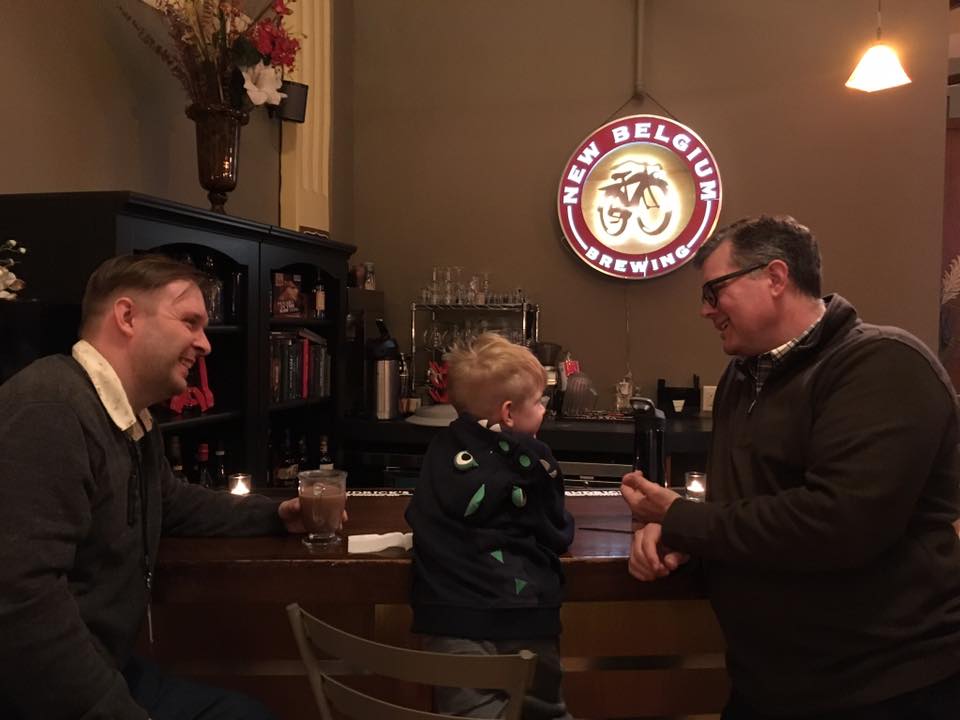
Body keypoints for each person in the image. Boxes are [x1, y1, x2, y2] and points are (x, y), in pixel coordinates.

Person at [621, 215, 960, 719]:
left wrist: (683, 518)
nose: (704, 309)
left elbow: (837, 525)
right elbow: (746, 506)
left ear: (775, 277)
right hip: (768, 683)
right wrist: (681, 538)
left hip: (881, 687)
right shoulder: (742, 375)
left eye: (715, 291)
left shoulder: (882, 364)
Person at [0, 254, 309, 720]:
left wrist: (274, 514)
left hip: (111, 668)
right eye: (190, 322)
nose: (205, 344)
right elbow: (21, 603)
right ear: (127, 317)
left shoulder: (133, 418)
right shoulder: (49, 410)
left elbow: (172, 501)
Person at [405, 333, 575, 719]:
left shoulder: (439, 449)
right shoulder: (535, 461)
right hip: (524, 614)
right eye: (539, 401)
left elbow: (418, 515)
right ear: (509, 413)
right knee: (542, 712)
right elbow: (555, 531)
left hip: (447, 616)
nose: (544, 409)